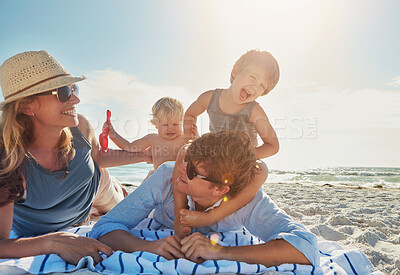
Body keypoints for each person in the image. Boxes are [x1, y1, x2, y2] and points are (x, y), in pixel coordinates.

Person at [0, 50, 148, 265]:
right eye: (63, 92)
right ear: (26, 106)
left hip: (97, 187)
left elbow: (98, 156)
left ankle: (117, 194)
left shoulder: (82, 126)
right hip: (59, 218)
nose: (76, 98)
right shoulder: (8, 162)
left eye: (74, 88)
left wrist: (146, 156)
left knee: (135, 219)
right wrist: (53, 242)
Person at [89, 131, 319, 268]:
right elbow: (104, 227)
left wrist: (222, 252)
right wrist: (148, 246)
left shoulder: (248, 202)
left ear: (219, 189)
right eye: (185, 159)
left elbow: (306, 246)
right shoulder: (165, 177)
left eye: (191, 171)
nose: (181, 168)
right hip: (153, 209)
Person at [174, 49, 279, 235]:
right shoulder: (211, 97)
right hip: (213, 159)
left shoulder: (254, 110)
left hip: (238, 164)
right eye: (253, 77)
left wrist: (243, 157)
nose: (255, 87)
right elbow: (190, 114)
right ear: (236, 70)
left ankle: (212, 216)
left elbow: (273, 146)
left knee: (262, 169)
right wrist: (192, 139)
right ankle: (179, 215)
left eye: (262, 86)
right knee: (184, 150)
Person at [105, 97, 196, 172]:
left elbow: (199, 152)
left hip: (180, 179)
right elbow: (129, 147)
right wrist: (112, 133)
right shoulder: (152, 139)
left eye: (175, 124)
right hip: (158, 179)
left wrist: (196, 136)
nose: (170, 128)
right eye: (165, 125)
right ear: (156, 124)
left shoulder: (184, 138)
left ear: (182, 123)